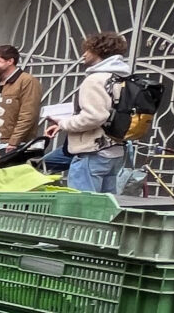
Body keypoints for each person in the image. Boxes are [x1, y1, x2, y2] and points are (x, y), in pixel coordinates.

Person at [47, 31, 134, 195]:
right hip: (115, 152)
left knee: (81, 208)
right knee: (104, 208)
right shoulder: (122, 78)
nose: (83, 54)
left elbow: (94, 117)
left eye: (87, 49)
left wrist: (63, 123)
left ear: (99, 51)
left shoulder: (95, 79)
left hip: (92, 152)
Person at [0, 45, 42, 150]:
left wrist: (14, 142)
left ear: (10, 61)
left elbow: (28, 115)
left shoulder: (27, 81)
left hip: (14, 145)